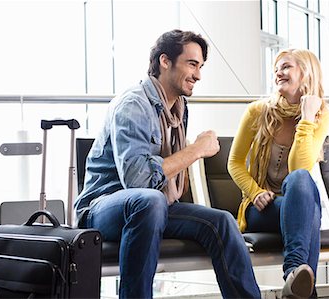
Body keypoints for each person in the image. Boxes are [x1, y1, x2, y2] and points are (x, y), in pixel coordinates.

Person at [74, 29, 261, 299]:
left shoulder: (179, 108)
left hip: (157, 207)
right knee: (149, 200)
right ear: (165, 61)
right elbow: (138, 182)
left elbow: (165, 183)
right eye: (192, 64)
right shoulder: (133, 105)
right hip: (103, 210)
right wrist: (195, 150)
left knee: (222, 222)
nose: (198, 75)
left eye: (201, 66)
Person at [228, 48, 329, 298]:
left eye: (285, 67)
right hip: (261, 209)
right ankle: (296, 276)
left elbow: (299, 168)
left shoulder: (319, 115)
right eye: (276, 69)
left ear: (306, 74)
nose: (278, 73)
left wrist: (306, 119)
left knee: (300, 181)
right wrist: (254, 193)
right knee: (311, 215)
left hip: (296, 204)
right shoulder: (257, 111)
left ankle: (294, 274)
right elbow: (235, 162)